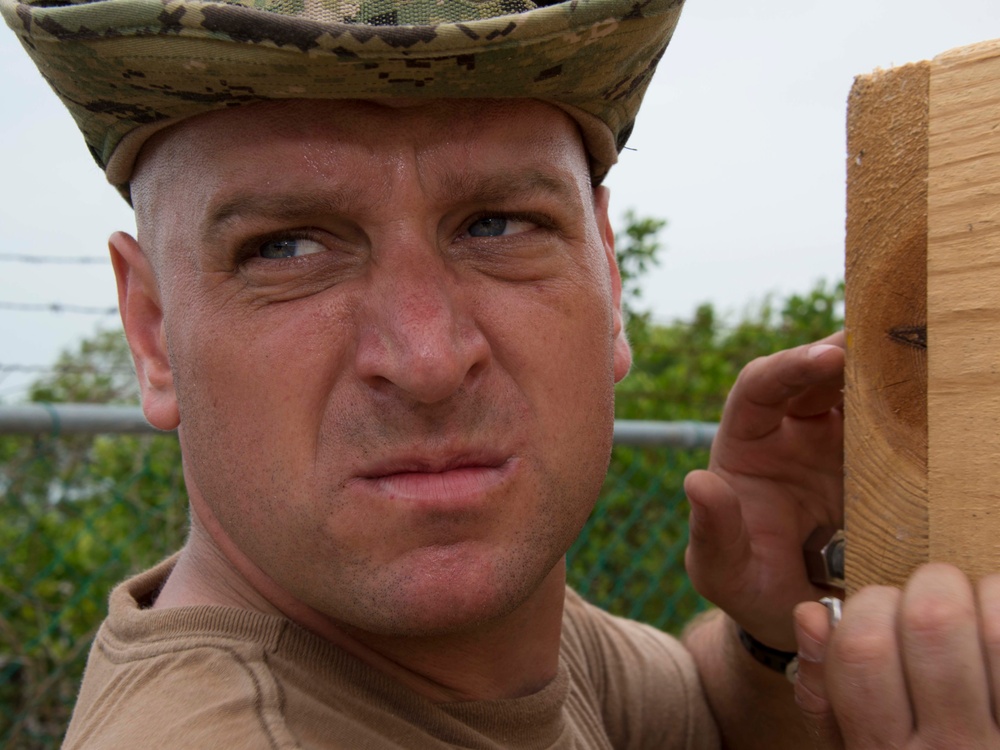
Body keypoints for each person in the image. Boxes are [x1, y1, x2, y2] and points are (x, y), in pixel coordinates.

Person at [3, 0, 998, 747]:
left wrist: (770, 634)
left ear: (607, 275)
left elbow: (689, 712)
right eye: (288, 248)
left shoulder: (483, 648)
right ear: (151, 328)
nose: (428, 360)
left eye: (496, 225)